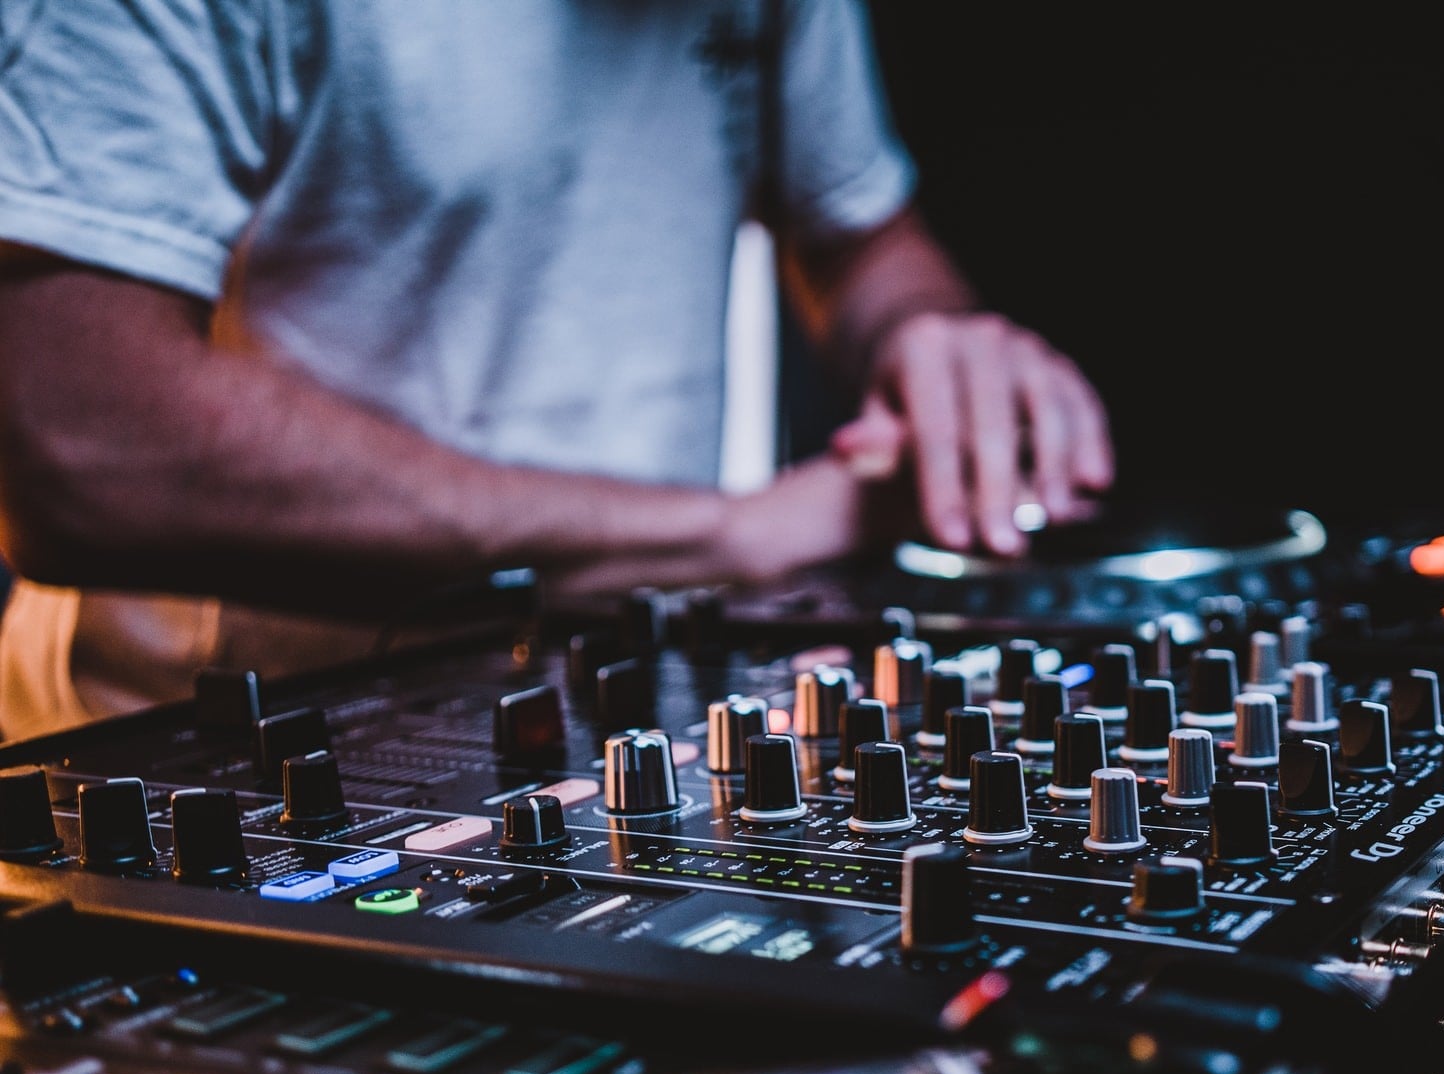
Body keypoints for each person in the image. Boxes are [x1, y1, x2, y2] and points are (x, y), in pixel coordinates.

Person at [0, 0, 1113, 741]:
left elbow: (857, 229)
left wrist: (923, 330)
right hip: (223, 764)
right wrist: (724, 537)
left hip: (612, 719)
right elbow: (86, 443)